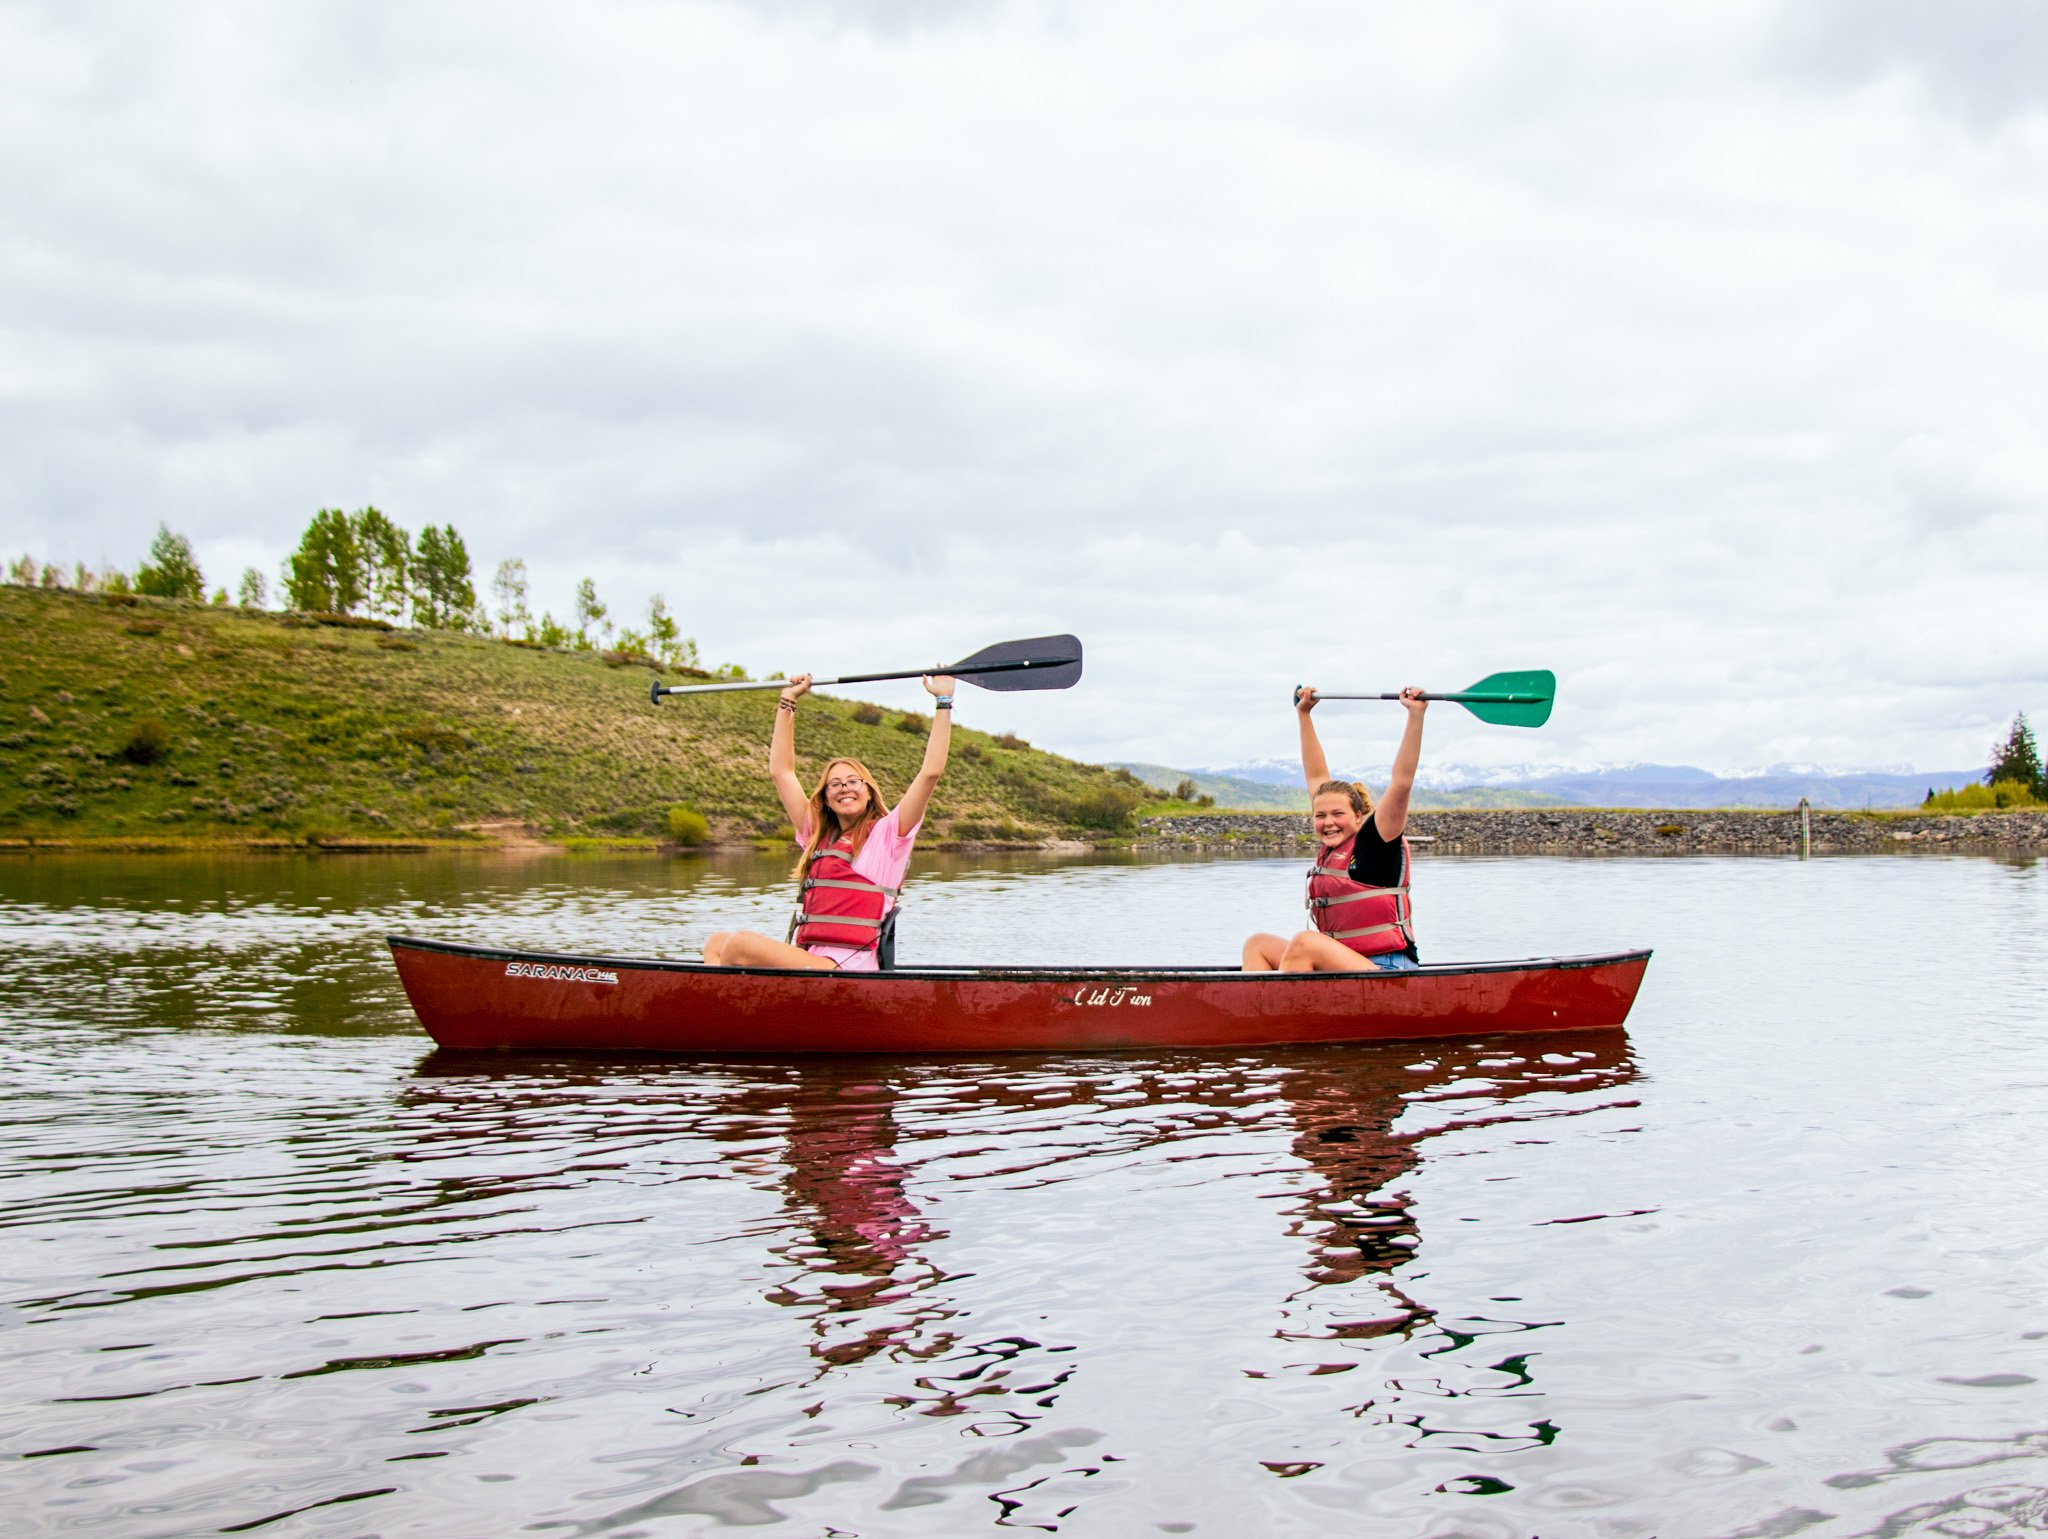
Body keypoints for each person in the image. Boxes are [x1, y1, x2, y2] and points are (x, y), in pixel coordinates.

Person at [703, 671, 955, 970]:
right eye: (834, 784)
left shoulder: (889, 835)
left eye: (853, 781)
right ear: (824, 797)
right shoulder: (818, 836)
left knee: (741, 945)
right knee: (718, 942)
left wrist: (943, 701)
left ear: (868, 791)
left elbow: (930, 772)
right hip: (813, 960)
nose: (844, 788)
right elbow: (781, 772)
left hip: (848, 969)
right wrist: (787, 702)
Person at [1241, 684, 1428, 973]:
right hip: (1346, 964)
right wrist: (1304, 714)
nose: (1328, 822)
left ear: (1357, 816)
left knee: (1305, 944)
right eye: (1320, 815)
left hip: (1389, 969)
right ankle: (1257, 1015)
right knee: (1258, 945)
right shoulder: (1332, 841)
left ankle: (1287, 1016)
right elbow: (1316, 774)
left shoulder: (1377, 840)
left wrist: (1415, 715)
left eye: (1338, 814)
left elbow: (1402, 782)